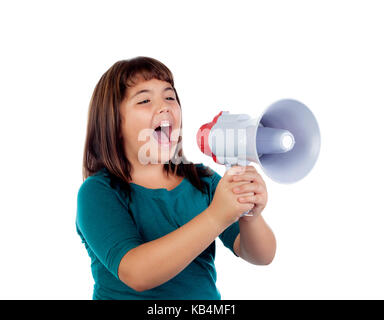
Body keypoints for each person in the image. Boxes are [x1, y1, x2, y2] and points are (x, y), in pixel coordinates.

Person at [76, 56, 276, 300]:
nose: (164, 106)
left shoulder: (202, 181)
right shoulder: (98, 192)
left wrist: (250, 215)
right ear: (114, 124)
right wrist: (216, 215)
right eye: (145, 100)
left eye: (170, 97)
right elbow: (137, 273)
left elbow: (262, 255)